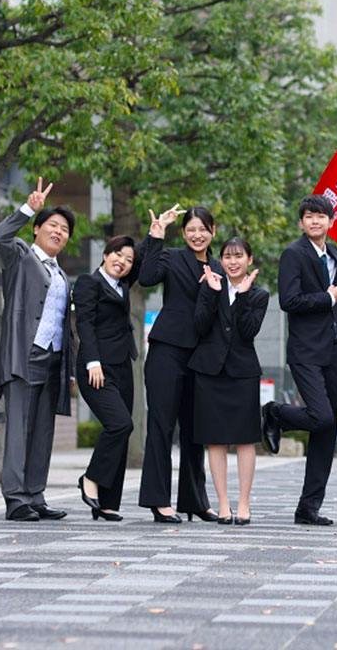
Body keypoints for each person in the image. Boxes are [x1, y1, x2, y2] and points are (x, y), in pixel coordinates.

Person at [262, 195, 337, 526]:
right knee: (321, 416)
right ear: (301, 223)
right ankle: (275, 412)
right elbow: (289, 300)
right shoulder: (293, 254)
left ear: (331, 223)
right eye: (309, 216)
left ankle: (308, 507)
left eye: (321, 216)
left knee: (327, 430)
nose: (315, 221)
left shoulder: (332, 253)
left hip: (332, 352)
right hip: (304, 351)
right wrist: (326, 297)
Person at [0, 177, 74, 522]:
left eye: (65, 229)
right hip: (23, 358)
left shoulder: (63, 274)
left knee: (42, 431)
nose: (58, 232)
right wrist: (28, 209)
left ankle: (35, 495)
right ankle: (15, 499)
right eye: (52, 225)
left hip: (53, 361)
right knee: (19, 430)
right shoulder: (20, 257)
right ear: (37, 229)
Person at [138, 206, 223, 523]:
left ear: (213, 231)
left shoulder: (218, 265)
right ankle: (158, 501)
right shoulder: (172, 257)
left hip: (201, 356)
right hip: (168, 350)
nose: (197, 235)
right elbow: (146, 278)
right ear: (184, 233)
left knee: (195, 429)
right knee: (161, 426)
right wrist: (155, 238)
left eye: (203, 229)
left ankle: (195, 501)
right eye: (191, 230)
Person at [189, 237, 268, 526]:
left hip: (242, 373)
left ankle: (243, 504)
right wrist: (211, 293)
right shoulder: (210, 286)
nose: (233, 262)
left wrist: (243, 296)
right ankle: (222, 504)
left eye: (239, 256)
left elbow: (248, 332)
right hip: (209, 372)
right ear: (220, 261)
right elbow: (199, 326)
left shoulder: (259, 295)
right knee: (215, 440)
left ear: (249, 260)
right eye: (227, 257)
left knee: (246, 439)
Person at [74, 235, 142, 522]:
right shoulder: (89, 283)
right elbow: (85, 324)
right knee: (119, 424)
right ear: (105, 254)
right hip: (97, 367)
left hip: (122, 366)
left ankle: (108, 502)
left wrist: (156, 233)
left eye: (128, 260)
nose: (123, 263)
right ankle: (90, 478)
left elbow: (141, 263)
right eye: (118, 255)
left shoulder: (122, 283)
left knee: (124, 432)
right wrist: (92, 361)